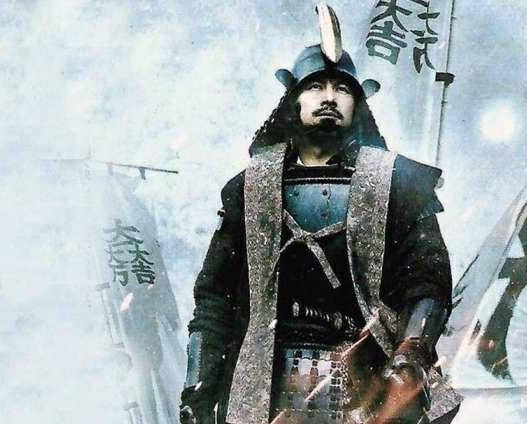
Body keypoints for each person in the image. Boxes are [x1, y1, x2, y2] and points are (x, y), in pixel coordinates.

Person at [179, 7, 461, 423]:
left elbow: (428, 283)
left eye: (342, 88)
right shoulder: (248, 189)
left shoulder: (397, 186)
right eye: (315, 86)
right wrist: (197, 391)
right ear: (292, 100)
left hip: (365, 384)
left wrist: (411, 355)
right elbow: (214, 300)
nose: (329, 97)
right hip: (262, 392)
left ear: (357, 104)